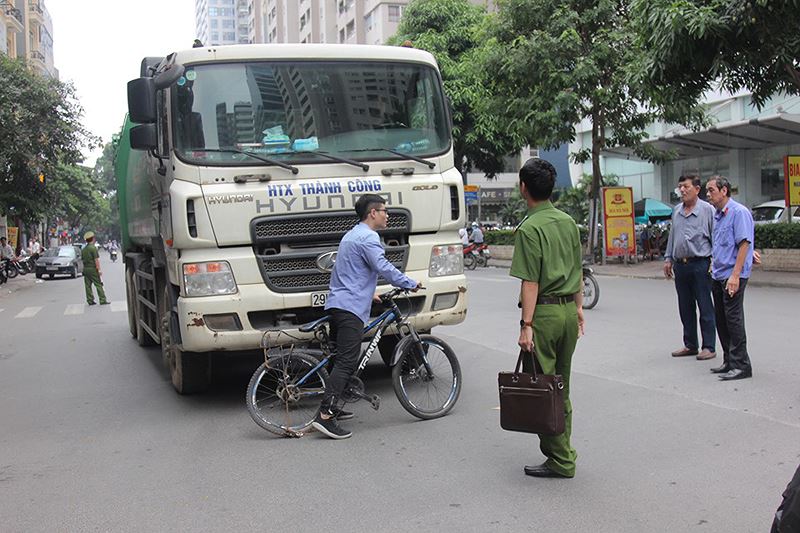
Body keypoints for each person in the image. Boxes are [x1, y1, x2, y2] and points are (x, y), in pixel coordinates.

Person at [312, 194, 420, 439]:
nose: (387, 215)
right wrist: (409, 283)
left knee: (338, 358)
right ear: (373, 213)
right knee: (347, 362)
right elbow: (384, 268)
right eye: (384, 210)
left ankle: (334, 407)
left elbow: (345, 270)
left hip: (338, 303)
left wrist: (369, 293)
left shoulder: (350, 235)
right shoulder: (369, 237)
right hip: (350, 308)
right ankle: (325, 416)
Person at [510, 158, 584, 479]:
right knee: (561, 386)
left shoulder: (529, 229)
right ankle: (565, 450)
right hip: (568, 311)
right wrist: (579, 310)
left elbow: (531, 282)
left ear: (524, 188)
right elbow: (578, 270)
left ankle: (561, 459)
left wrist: (527, 326)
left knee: (544, 388)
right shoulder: (567, 222)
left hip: (545, 315)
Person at [705, 176, 754, 381]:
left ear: (724, 191)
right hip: (718, 274)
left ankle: (742, 365)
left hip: (733, 276)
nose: (708, 195)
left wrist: (735, 275)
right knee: (722, 320)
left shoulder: (739, 212)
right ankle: (729, 361)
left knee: (733, 321)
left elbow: (744, 243)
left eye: (711, 190)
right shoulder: (718, 215)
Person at [663, 174, 716, 361]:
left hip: (700, 264)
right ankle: (690, 344)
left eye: (686, 186)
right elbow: (673, 237)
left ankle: (709, 346)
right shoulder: (676, 211)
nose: (682, 190)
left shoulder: (708, 210)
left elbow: (715, 238)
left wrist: (714, 263)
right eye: (680, 187)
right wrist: (668, 258)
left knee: (705, 305)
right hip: (681, 265)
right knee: (685, 307)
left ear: (697, 189)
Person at [81, 231, 109, 306]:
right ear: (93, 239)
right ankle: (102, 300)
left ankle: (90, 300)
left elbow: (82, 260)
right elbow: (96, 260)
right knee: (98, 284)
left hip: (86, 269)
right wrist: (99, 270)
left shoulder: (83, 249)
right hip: (92, 269)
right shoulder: (93, 248)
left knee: (88, 286)